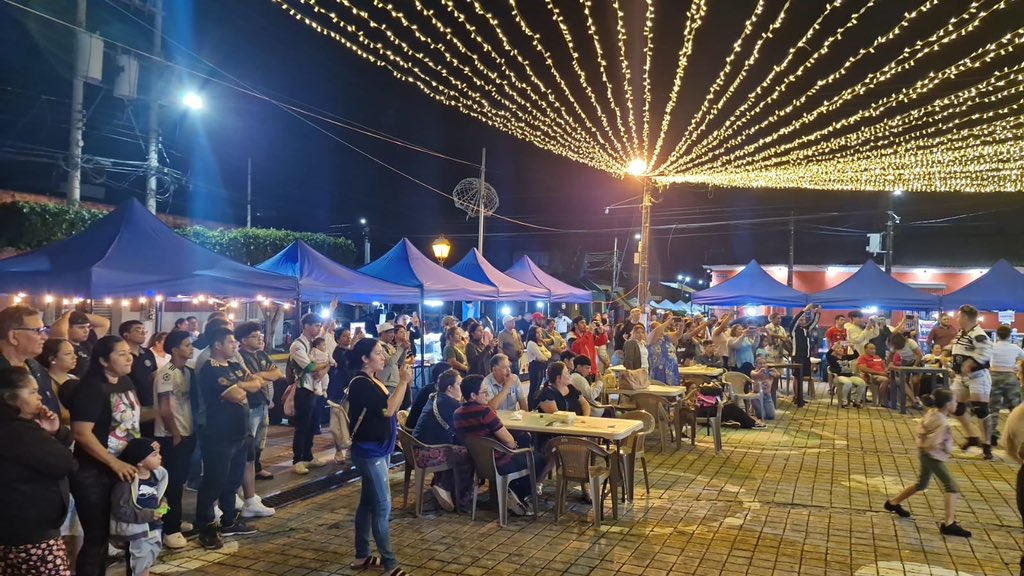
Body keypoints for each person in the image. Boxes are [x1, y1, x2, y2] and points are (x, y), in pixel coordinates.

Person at [62, 335, 141, 576]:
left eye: (129, 352)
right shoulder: (91, 388)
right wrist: (113, 462)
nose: (129, 357)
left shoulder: (125, 381)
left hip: (124, 469)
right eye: (121, 353)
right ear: (104, 360)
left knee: (130, 534)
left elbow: (128, 423)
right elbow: (82, 433)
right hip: (94, 474)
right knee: (97, 539)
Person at [0, 366, 77, 576]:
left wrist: (53, 431)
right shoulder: (20, 432)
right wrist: (55, 434)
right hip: (32, 534)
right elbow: (65, 463)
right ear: (9, 397)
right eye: (32, 392)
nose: (40, 397)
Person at [345, 338, 411, 576]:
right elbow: (389, 409)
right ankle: (390, 563)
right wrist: (403, 382)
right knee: (382, 507)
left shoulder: (373, 381)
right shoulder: (360, 383)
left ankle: (361, 555)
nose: (383, 357)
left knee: (368, 504)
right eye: (378, 353)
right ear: (365, 358)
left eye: (383, 353)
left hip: (378, 449)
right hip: (369, 451)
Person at [195, 327, 262, 550]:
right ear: (218, 345)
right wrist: (243, 388)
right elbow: (235, 394)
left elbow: (257, 384)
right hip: (219, 435)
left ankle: (229, 521)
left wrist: (242, 386)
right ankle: (206, 528)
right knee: (214, 481)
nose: (235, 345)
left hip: (240, 434)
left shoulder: (234, 365)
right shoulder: (209, 369)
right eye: (231, 342)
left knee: (233, 482)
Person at [883, 389, 971, 538]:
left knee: (922, 484)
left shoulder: (932, 413)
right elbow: (934, 442)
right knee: (952, 486)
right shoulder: (943, 422)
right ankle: (949, 523)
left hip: (925, 453)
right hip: (933, 456)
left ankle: (893, 503)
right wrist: (944, 449)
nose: (956, 404)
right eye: (954, 402)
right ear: (948, 405)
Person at [454, 374, 543, 517]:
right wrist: (514, 445)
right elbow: (508, 440)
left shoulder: (457, 414)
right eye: (484, 392)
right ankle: (517, 495)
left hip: (478, 463)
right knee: (538, 459)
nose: (487, 395)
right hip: (500, 462)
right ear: (472, 395)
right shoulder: (485, 412)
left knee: (521, 447)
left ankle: (508, 493)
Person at [152, 330, 196, 549]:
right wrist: (176, 433)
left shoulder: (187, 372)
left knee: (179, 482)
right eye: (187, 345)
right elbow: (165, 408)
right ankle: (169, 527)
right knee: (171, 485)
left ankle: (174, 520)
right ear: (175, 349)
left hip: (186, 433)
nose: (191, 348)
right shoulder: (166, 373)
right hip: (170, 437)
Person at [411, 369, 472, 512]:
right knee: (469, 454)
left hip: (416, 447)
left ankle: (442, 485)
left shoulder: (435, 397)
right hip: (427, 451)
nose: (462, 388)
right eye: (459, 384)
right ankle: (456, 497)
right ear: (450, 388)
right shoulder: (450, 405)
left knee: (457, 447)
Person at [109, 438, 167, 576]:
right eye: (154, 455)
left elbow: (159, 496)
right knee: (137, 564)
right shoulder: (127, 482)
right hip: (136, 532)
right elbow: (120, 510)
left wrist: (164, 507)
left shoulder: (156, 476)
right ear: (140, 461)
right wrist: (149, 515)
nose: (160, 457)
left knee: (148, 560)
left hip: (154, 528)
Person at [236, 323, 283, 482]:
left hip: (264, 403)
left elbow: (277, 373)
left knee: (260, 441)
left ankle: (256, 468)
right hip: (250, 405)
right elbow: (249, 382)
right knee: (248, 441)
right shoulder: (239, 357)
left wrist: (260, 375)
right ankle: (243, 473)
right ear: (243, 339)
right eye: (254, 337)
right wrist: (259, 379)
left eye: (260, 336)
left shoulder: (262, 355)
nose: (259, 339)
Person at [949, 305, 994, 460]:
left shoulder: (979, 335)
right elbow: (955, 347)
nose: (956, 319)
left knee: (980, 409)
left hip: (978, 376)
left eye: (958, 316)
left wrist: (971, 363)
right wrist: (944, 353)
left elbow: (986, 352)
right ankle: (972, 437)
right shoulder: (962, 333)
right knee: (954, 407)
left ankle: (987, 444)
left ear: (966, 318)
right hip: (960, 377)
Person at [1, 305, 61, 417]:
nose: (45, 337)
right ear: (13, 336)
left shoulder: (36, 367)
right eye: (37, 331)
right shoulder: (3, 375)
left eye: (44, 330)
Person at [289, 314, 330, 475]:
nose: (318, 328)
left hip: (315, 389)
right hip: (304, 389)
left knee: (313, 424)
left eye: (319, 325)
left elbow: (320, 368)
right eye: (315, 325)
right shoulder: (297, 345)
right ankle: (297, 459)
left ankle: (308, 456)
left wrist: (324, 367)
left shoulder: (312, 344)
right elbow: (310, 367)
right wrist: (326, 364)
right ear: (306, 325)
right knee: (302, 426)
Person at [120, 321, 158, 437]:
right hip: (129, 406)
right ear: (126, 335)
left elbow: (155, 376)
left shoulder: (147, 353)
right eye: (138, 330)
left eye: (144, 330)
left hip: (149, 403)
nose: (143, 332)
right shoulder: (122, 355)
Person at [989, 326, 1024, 448]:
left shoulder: (992, 346)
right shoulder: (1014, 348)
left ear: (997, 335)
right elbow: (1023, 358)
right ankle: (1017, 436)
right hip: (1009, 376)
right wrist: (1018, 367)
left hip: (993, 376)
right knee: (1015, 408)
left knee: (993, 408)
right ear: (1009, 335)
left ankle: (992, 435)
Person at [51, 310, 110, 379]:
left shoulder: (87, 343)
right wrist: (66, 317)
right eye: (81, 327)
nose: (86, 331)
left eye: (88, 327)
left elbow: (105, 323)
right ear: (68, 328)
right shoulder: (63, 345)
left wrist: (78, 314)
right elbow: (60, 328)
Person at [38, 338, 78, 424]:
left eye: (73, 352)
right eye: (68, 354)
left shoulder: (74, 378)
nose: (75, 357)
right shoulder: (46, 384)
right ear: (52, 359)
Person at [790, 304, 821, 400]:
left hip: (806, 356)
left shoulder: (806, 329)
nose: (802, 321)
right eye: (800, 319)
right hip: (797, 356)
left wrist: (817, 313)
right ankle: (797, 397)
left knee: (802, 377)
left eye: (803, 319)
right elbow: (794, 322)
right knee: (797, 377)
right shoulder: (794, 330)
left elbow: (814, 322)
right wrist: (804, 310)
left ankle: (799, 396)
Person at [887, 332, 925, 410]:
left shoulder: (910, 342)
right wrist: (889, 364)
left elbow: (919, 355)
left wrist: (915, 365)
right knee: (904, 381)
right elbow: (890, 357)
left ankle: (916, 396)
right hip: (905, 361)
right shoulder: (895, 346)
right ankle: (912, 400)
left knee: (915, 381)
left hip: (916, 360)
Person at [827, 341, 865, 408]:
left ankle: (857, 401)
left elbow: (856, 355)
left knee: (862, 383)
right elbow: (828, 354)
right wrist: (834, 346)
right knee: (848, 383)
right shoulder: (832, 358)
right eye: (838, 348)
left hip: (849, 376)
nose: (840, 349)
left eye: (841, 348)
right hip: (838, 376)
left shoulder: (846, 357)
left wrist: (852, 347)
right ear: (834, 351)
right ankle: (844, 401)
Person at [648, 316, 684, 386]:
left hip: (672, 369)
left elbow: (678, 335)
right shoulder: (650, 339)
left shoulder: (666, 337)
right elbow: (656, 332)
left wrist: (681, 325)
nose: (662, 330)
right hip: (659, 370)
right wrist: (668, 322)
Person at [525, 326, 552, 408]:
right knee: (534, 388)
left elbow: (549, 354)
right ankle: (530, 406)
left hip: (541, 367)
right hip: (535, 367)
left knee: (538, 388)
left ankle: (535, 405)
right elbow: (541, 357)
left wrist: (544, 356)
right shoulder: (531, 343)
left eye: (540, 333)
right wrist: (543, 356)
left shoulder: (540, 343)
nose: (540, 334)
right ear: (533, 334)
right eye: (537, 333)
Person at [857, 343, 890, 407]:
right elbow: (864, 369)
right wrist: (880, 373)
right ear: (865, 349)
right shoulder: (862, 357)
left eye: (874, 349)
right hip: (872, 376)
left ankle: (910, 401)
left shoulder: (877, 357)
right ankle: (881, 401)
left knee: (899, 381)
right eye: (871, 349)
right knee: (885, 380)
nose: (873, 350)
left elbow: (884, 367)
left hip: (883, 374)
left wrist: (887, 371)